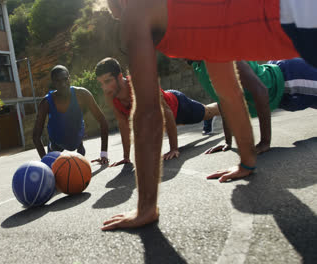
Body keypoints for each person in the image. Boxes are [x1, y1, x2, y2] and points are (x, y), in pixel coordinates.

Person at [103, 0, 317, 230]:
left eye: (115, 12)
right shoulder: (207, 30)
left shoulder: (137, 9)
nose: (119, 21)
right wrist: (247, 162)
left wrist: (145, 207)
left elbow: (147, 111)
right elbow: (229, 95)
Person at [95, 57, 220, 164]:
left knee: (210, 111)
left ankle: (228, 106)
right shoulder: (110, 95)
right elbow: (123, 124)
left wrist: (174, 149)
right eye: (101, 83)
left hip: (178, 106)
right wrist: (126, 157)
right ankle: (208, 118)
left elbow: (167, 112)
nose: (104, 88)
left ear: (119, 76)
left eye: (107, 81)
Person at [193, 58, 317, 155]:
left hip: (292, 77)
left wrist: (264, 142)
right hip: (283, 96)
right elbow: (224, 102)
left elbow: (261, 91)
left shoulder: (221, 58)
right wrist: (228, 141)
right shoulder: (198, 66)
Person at [33, 65, 109, 164]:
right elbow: (36, 136)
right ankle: (53, 147)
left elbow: (102, 121)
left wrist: (104, 154)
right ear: (53, 83)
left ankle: (79, 145)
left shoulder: (82, 94)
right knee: (54, 168)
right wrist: (45, 162)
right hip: (57, 141)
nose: (63, 84)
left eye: (65, 79)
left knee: (80, 169)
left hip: (76, 137)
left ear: (69, 78)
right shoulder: (46, 102)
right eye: (58, 81)